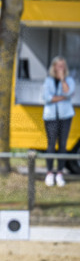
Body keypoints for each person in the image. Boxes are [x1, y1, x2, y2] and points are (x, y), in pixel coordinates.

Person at [42, 55, 75, 187]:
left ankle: (60, 173)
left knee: (62, 144)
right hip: (50, 116)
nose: (61, 67)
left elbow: (69, 92)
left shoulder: (69, 80)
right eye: (59, 65)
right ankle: (49, 173)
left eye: (63, 65)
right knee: (51, 144)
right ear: (54, 67)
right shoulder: (48, 81)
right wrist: (63, 97)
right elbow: (47, 97)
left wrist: (62, 80)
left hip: (65, 116)